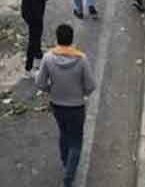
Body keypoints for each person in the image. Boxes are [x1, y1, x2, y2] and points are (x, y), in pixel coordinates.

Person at [36, 23, 97, 187]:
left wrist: (52, 90)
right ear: (71, 39)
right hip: (76, 106)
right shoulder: (81, 59)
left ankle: (65, 162)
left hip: (57, 105)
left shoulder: (48, 58)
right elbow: (91, 85)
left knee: (63, 133)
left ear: (57, 38)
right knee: (76, 141)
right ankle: (68, 177)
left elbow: (40, 83)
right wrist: (81, 93)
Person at [18, 0, 54, 71]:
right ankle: (28, 66)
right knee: (34, 38)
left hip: (26, 9)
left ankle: (38, 53)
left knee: (35, 35)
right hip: (36, 14)